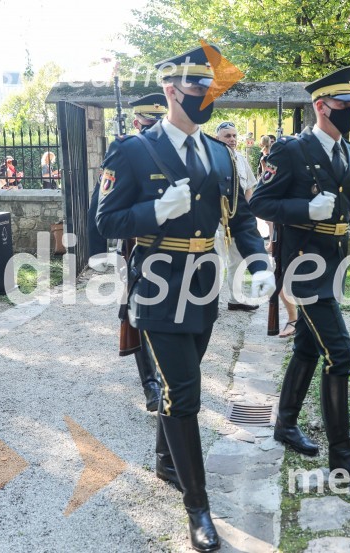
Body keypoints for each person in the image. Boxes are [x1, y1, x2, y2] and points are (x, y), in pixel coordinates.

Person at [96, 44, 275, 552]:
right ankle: (198, 508)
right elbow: (105, 220)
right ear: (172, 90)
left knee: (179, 390)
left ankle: (165, 461)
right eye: (198, 88)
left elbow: (239, 218)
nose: (206, 97)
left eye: (210, 89)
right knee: (186, 393)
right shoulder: (131, 151)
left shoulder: (219, 153)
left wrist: (258, 260)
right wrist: (154, 212)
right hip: (156, 280)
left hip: (202, 280)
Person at [249, 66, 350, 481]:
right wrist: (303, 210)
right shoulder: (290, 150)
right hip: (302, 266)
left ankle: (284, 423)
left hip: (332, 265)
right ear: (321, 107)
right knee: (340, 353)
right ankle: (343, 453)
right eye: (343, 106)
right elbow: (258, 204)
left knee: (308, 347)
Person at [88, 93, 169, 273]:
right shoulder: (128, 148)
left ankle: (97, 254)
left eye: (158, 122)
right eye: (151, 122)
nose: (155, 127)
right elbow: (102, 203)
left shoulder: (171, 148)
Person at [214, 120, 259, 311]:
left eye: (234, 136)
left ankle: (236, 298)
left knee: (238, 259)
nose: (232, 140)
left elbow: (249, 186)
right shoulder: (211, 159)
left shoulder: (240, 159)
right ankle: (210, 303)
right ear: (217, 138)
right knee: (216, 261)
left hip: (238, 219)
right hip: (216, 220)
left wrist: (247, 212)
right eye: (227, 136)